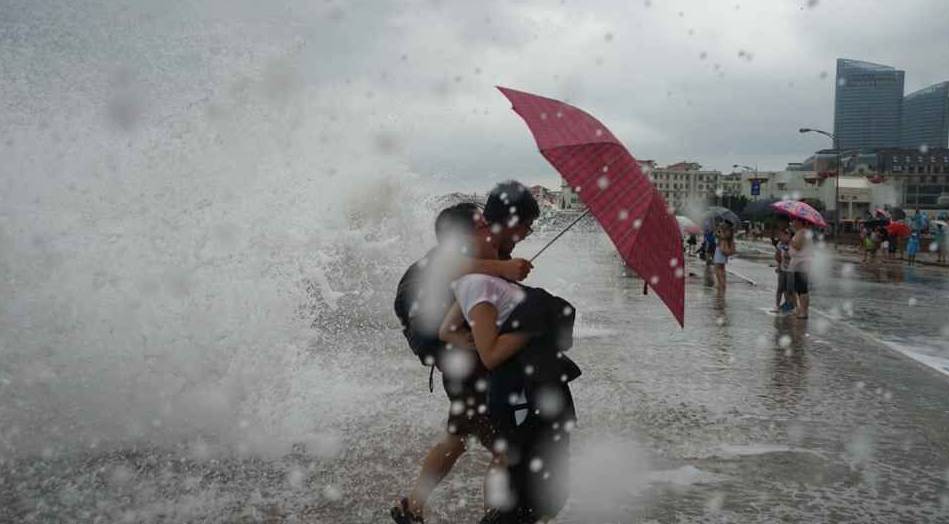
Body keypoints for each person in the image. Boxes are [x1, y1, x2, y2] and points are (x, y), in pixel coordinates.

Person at [391, 195, 537, 524]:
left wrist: (506, 275)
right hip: (472, 366)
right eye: (482, 224)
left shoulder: (484, 256)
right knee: (505, 448)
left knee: (457, 440)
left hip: (462, 367)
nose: (490, 226)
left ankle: (412, 507)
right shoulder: (452, 262)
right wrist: (502, 271)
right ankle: (495, 517)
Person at [436, 206, 579, 524]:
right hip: (524, 397)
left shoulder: (483, 276)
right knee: (531, 497)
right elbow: (491, 354)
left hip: (523, 393)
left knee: (534, 491)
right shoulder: (478, 280)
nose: (491, 228)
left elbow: (446, 330)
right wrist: (534, 323)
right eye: (483, 225)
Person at [788, 218, 813, 319]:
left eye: (795, 221)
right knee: (798, 288)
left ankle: (804, 311)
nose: (793, 223)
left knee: (802, 288)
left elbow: (798, 246)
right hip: (798, 263)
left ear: (800, 223)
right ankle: (801, 310)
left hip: (802, 263)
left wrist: (789, 240)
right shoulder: (799, 232)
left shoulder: (803, 232)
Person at [771, 228, 794, 313]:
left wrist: (788, 253)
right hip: (782, 268)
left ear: (790, 236)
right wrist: (777, 253)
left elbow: (794, 257)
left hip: (791, 270)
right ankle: (777, 305)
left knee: (789, 289)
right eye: (781, 235)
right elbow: (777, 257)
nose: (782, 237)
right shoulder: (780, 244)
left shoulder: (793, 245)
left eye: (785, 235)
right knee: (780, 288)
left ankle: (789, 304)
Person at [712, 222, 735, 293]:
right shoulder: (728, 230)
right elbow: (717, 236)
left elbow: (723, 237)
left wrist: (720, 231)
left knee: (717, 268)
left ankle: (721, 283)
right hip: (721, 249)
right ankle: (722, 283)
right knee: (721, 268)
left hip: (721, 250)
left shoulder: (727, 230)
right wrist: (717, 231)